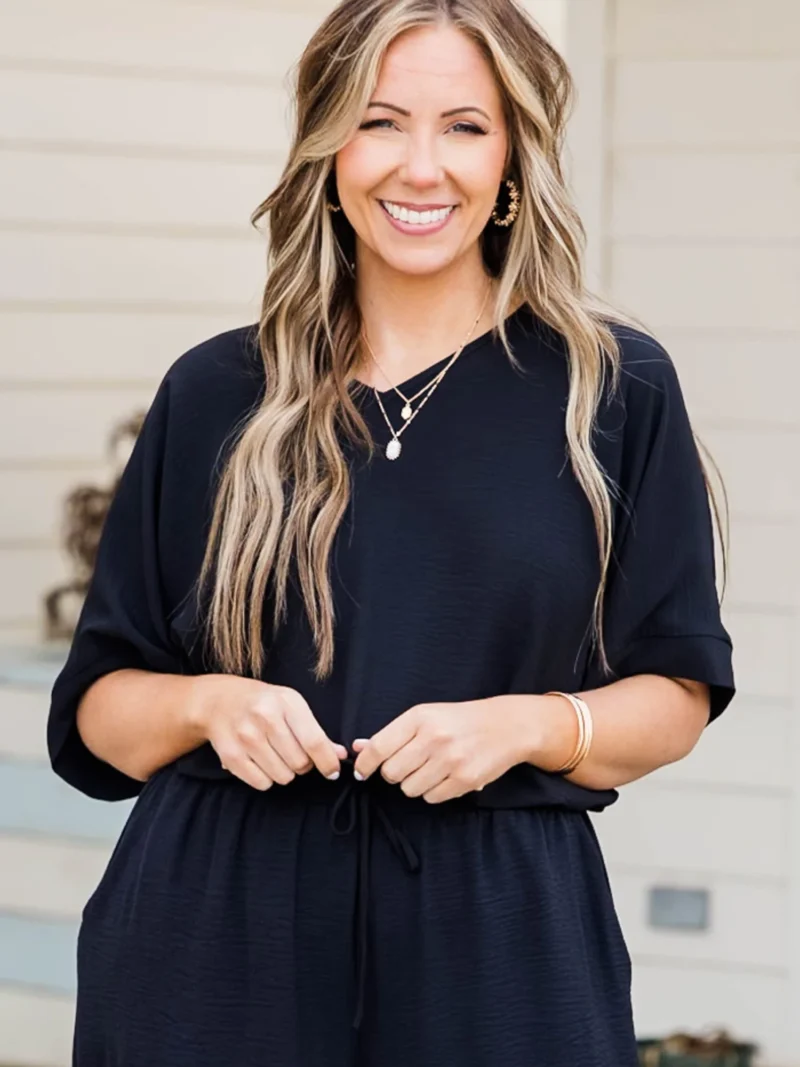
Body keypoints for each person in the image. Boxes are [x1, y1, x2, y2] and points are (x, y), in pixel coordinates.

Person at [47, 1, 735, 1065]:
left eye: (464, 125)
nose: (421, 167)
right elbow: (101, 714)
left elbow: (676, 694)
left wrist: (524, 724)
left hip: (499, 949)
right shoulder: (216, 390)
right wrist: (209, 703)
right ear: (329, 152)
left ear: (512, 159)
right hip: (211, 945)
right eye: (380, 122)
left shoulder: (612, 389)